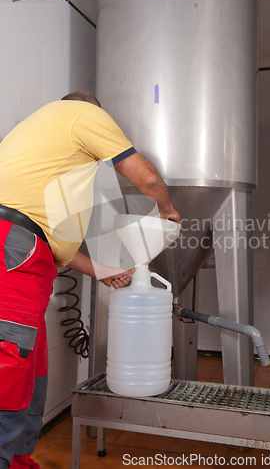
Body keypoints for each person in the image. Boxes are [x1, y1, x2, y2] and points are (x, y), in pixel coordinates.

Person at [0, 91, 180, 469]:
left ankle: (18, 460)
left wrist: (102, 271)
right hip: (11, 249)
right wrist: (167, 210)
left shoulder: (56, 160)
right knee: (9, 363)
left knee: (32, 367)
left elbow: (59, 246)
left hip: (27, 256)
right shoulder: (82, 113)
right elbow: (146, 178)